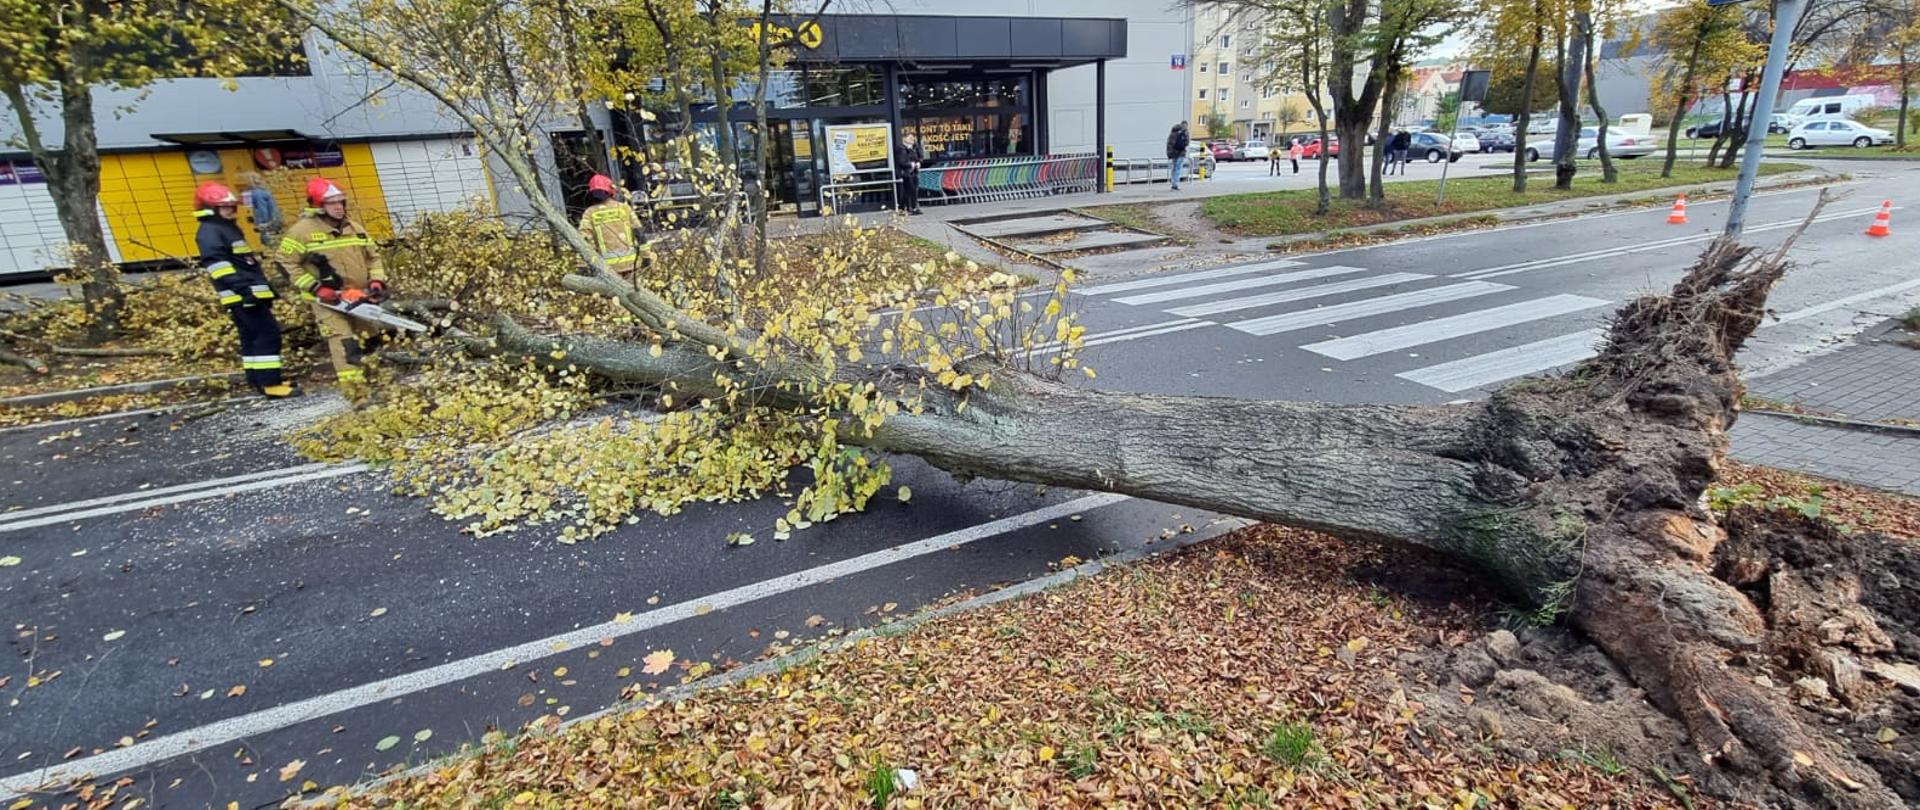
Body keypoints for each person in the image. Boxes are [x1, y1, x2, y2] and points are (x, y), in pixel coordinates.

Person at [276, 177, 390, 388]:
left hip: (358, 296)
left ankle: (376, 383)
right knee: (344, 342)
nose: (338, 207)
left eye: (340, 202)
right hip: (327, 301)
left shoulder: (354, 228)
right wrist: (316, 288)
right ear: (319, 205)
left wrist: (376, 281)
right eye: (332, 203)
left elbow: (373, 257)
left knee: (371, 338)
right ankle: (357, 394)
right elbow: (284, 262)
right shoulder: (302, 231)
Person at [194, 182, 297, 399]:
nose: (231, 210)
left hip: (245, 293)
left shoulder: (223, 229)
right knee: (267, 336)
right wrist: (245, 291)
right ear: (210, 208)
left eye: (232, 206)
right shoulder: (211, 232)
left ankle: (257, 380)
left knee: (250, 337)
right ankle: (271, 384)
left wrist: (265, 290)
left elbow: (245, 264)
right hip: (241, 295)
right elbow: (218, 266)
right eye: (225, 207)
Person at [578, 174, 645, 279]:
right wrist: (646, 256)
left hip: (608, 269)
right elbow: (639, 233)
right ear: (611, 190)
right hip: (633, 264)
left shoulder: (589, 213)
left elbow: (584, 240)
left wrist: (582, 265)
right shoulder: (624, 208)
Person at [242, 173, 283, 250]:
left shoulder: (256, 194)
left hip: (267, 223)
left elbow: (262, 209)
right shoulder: (265, 191)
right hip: (274, 220)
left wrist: (263, 223)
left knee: (269, 244)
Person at [894, 131, 924, 214]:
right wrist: (910, 164)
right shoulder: (900, 148)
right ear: (904, 138)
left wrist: (918, 162)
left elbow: (919, 157)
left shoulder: (914, 147)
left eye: (913, 138)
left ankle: (905, 208)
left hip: (914, 171)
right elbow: (901, 161)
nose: (912, 140)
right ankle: (909, 208)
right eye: (910, 138)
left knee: (912, 190)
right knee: (910, 190)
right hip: (905, 172)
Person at [1166, 121, 1190, 190]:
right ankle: (1175, 184)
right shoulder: (1185, 132)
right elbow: (1187, 143)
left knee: (1174, 168)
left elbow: (1169, 143)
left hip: (1174, 153)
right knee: (1178, 168)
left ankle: (1173, 183)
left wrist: (1169, 153)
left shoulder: (1173, 131)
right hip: (1181, 153)